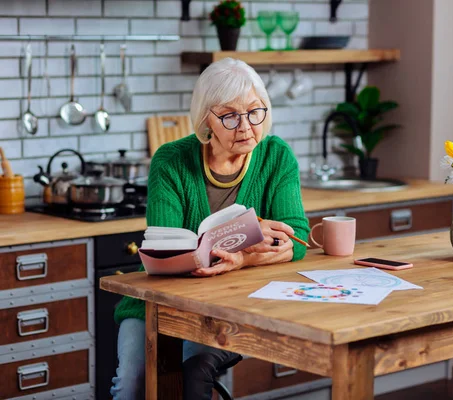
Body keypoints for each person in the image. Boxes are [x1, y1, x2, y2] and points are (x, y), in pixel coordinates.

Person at [110, 57, 310, 400]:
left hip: (234, 305)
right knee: (132, 383)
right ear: (206, 120)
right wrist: (250, 242)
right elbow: (166, 251)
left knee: (194, 371)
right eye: (229, 116)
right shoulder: (170, 160)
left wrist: (244, 261)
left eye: (254, 111)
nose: (245, 126)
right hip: (158, 302)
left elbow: (297, 238)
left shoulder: (277, 156)